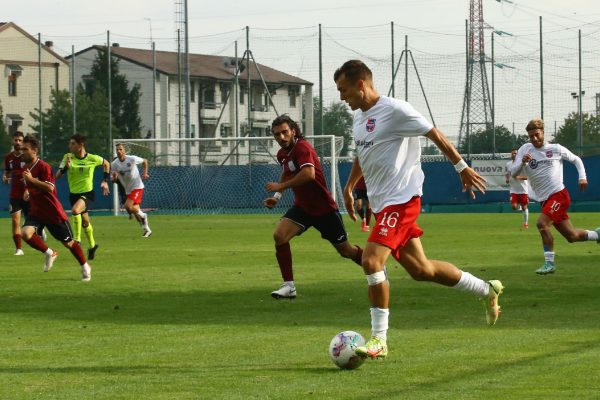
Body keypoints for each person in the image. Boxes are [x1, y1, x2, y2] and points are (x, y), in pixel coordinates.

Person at [334, 60, 503, 360]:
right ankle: (486, 288)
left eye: (344, 90)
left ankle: (379, 340)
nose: (342, 97)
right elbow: (363, 152)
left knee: (372, 262)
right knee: (421, 270)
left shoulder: (396, 110)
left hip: (402, 201)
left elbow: (434, 134)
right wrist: (350, 187)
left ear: (361, 84)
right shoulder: (360, 119)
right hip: (384, 203)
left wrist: (461, 167)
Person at [264, 114, 364, 299]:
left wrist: (280, 187)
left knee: (346, 251)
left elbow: (308, 174)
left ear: (293, 131)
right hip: (303, 208)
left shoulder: (303, 147)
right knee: (279, 236)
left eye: (285, 132)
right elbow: (287, 174)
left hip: (324, 209)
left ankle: (376, 267)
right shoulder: (282, 154)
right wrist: (277, 197)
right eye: (277, 134)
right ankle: (289, 286)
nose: (281, 137)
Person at [510, 118, 599, 275]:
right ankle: (597, 234)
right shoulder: (525, 149)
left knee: (541, 224)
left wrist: (582, 177)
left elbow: (576, 159)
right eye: (531, 136)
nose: (534, 138)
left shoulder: (555, 149)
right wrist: (522, 163)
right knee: (571, 236)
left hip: (559, 195)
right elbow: (514, 173)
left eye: (537, 134)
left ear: (543, 132)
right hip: (545, 201)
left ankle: (549, 263)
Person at [19, 135, 92, 281]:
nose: (22, 152)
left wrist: (32, 181)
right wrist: (28, 191)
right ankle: (50, 253)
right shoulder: (26, 167)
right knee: (25, 234)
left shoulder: (43, 166)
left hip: (53, 213)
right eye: (21, 149)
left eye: (25, 149)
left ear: (34, 150)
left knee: (69, 243)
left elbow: (50, 188)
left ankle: (85, 266)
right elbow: (32, 185)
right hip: (37, 212)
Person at [56, 134, 110, 260]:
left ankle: (77, 240)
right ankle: (92, 246)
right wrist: (65, 168)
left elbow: (106, 164)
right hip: (73, 195)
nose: (70, 146)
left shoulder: (92, 158)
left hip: (87, 194)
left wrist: (105, 180)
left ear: (81, 145)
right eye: (70, 143)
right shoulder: (67, 157)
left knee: (75, 211)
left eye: (73, 144)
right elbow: (57, 175)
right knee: (85, 222)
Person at [110, 143, 152, 237]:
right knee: (135, 211)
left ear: (125, 150)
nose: (119, 151)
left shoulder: (132, 159)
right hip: (128, 189)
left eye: (121, 149)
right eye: (117, 150)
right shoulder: (114, 164)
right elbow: (113, 178)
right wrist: (114, 178)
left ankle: (143, 215)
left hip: (137, 187)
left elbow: (145, 161)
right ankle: (146, 230)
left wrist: (145, 173)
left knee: (128, 206)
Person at [3, 131, 28, 255]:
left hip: (28, 193)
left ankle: (40, 230)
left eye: (20, 140)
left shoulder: (27, 156)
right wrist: (5, 176)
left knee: (31, 221)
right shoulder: (9, 157)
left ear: (23, 142)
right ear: (12, 141)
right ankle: (19, 249)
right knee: (15, 221)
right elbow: (7, 171)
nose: (17, 142)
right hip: (15, 194)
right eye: (16, 140)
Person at [505, 148, 530, 228]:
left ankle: (525, 223)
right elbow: (507, 173)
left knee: (524, 207)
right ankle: (518, 205)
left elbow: (528, 177)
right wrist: (507, 179)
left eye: (515, 153)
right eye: (512, 153)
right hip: (514, 189)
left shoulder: (524, 164)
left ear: (518, 155)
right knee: (513, 207)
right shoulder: (508, 164)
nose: (513, 155)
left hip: (523, 189)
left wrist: (518, 177)